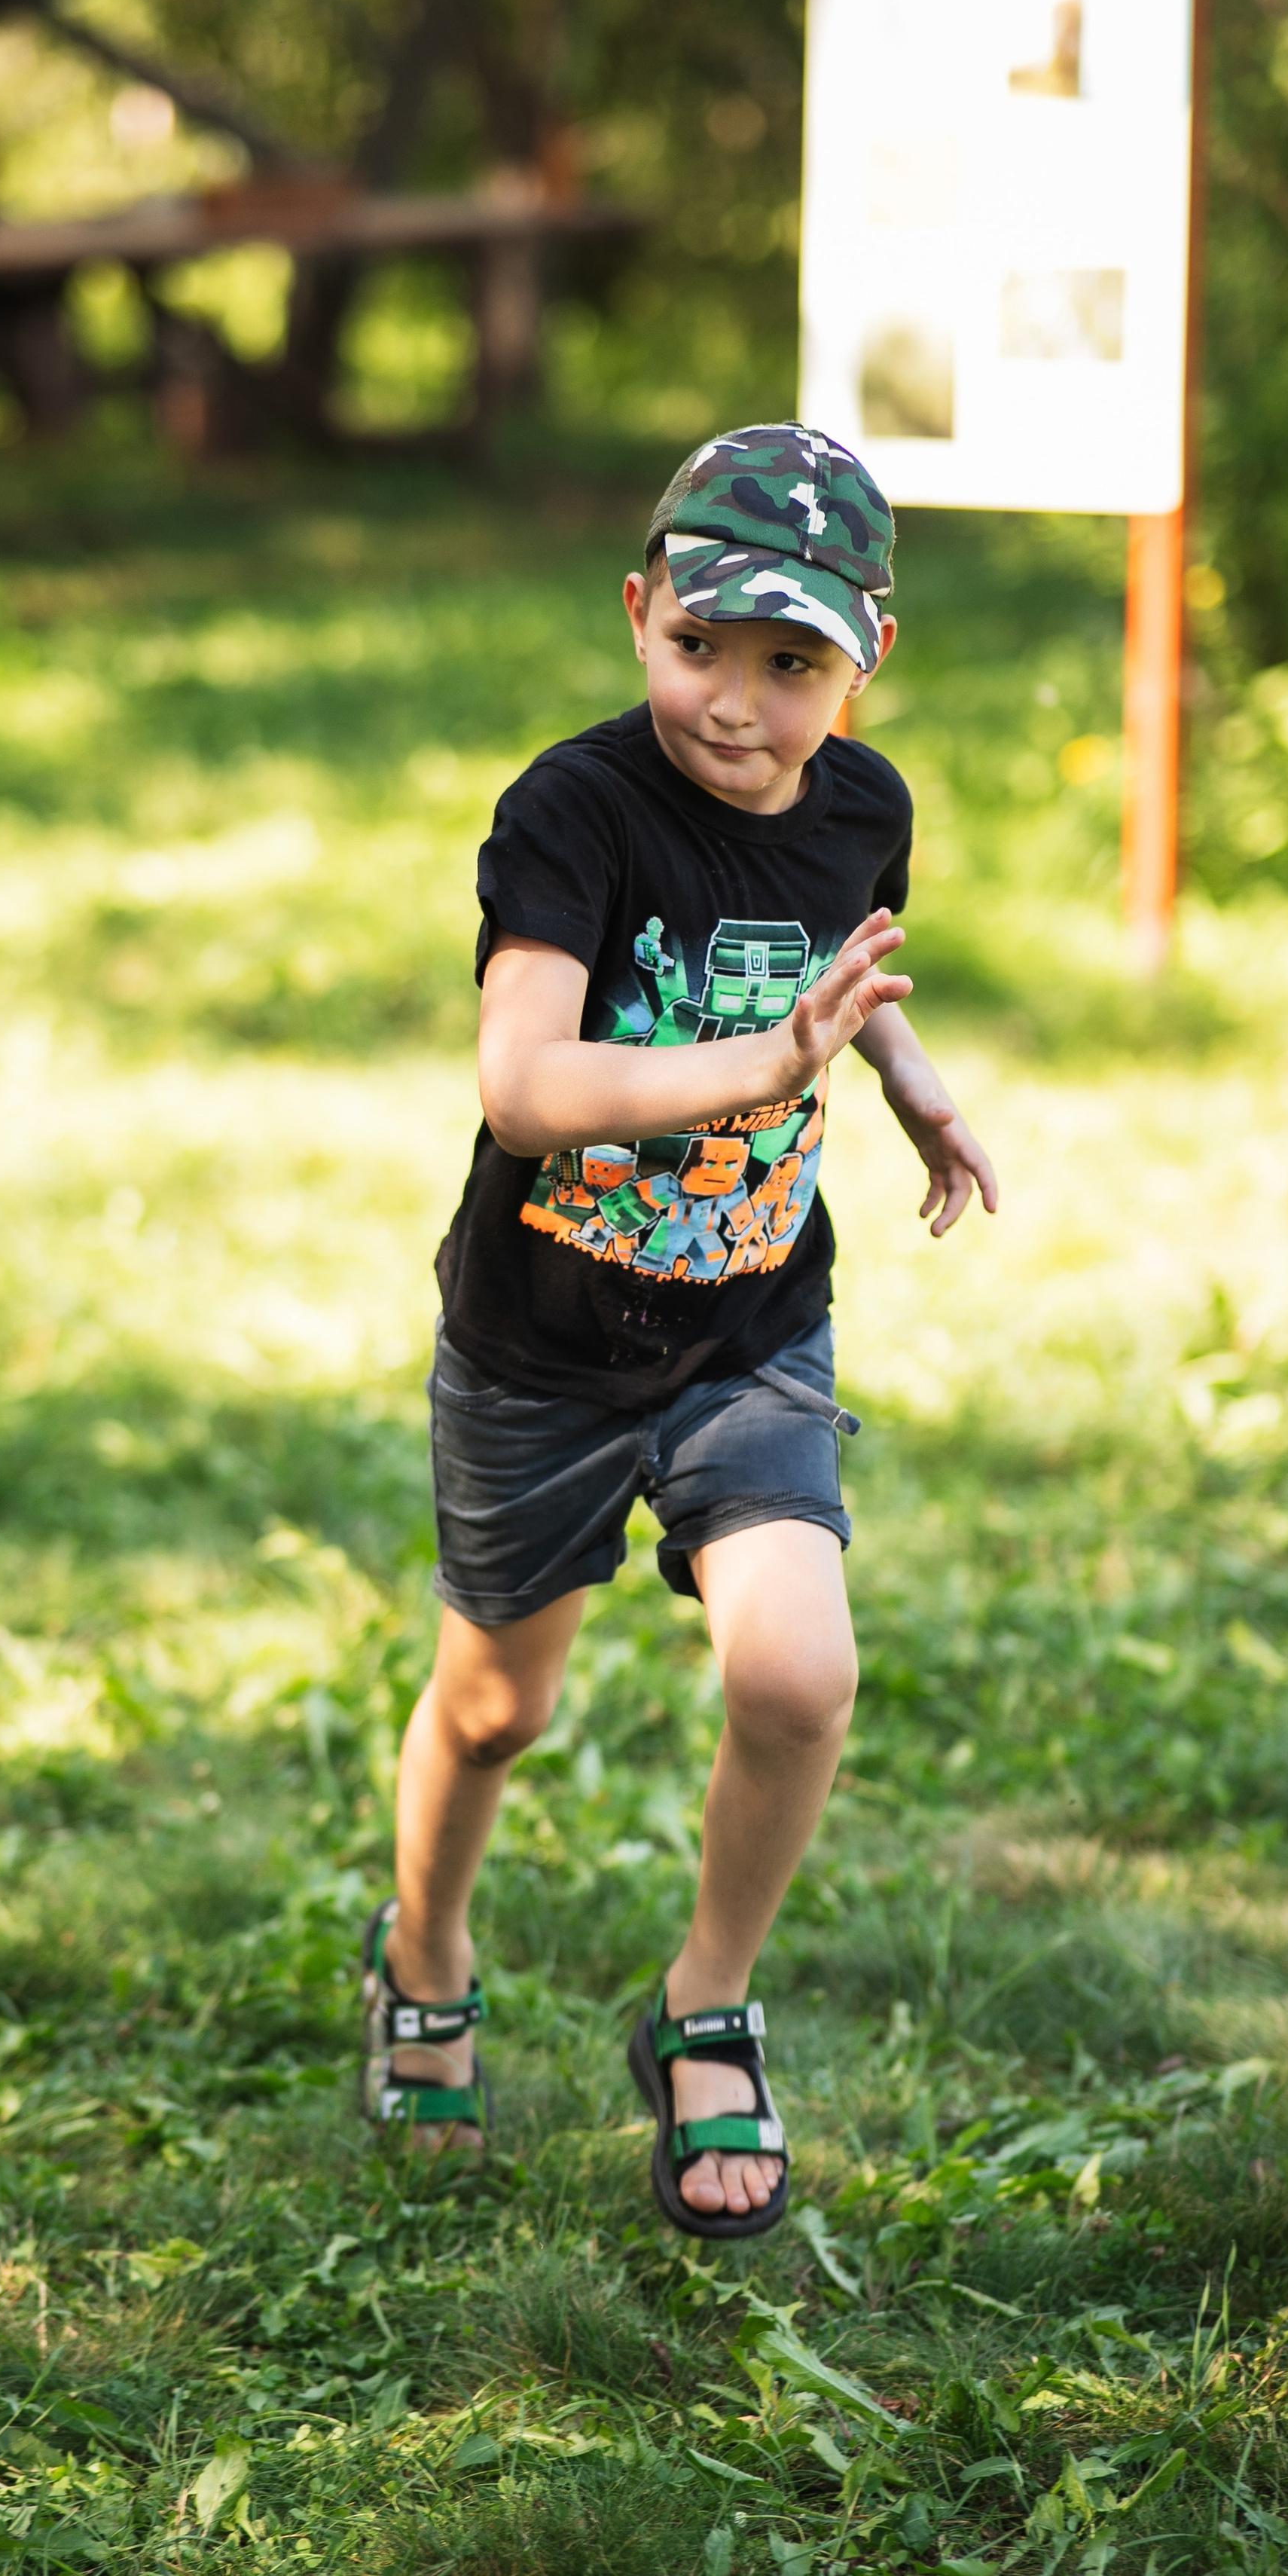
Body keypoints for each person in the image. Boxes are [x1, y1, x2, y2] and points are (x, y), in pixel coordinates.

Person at [359, 424, 997, 2238]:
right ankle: (422, 1950)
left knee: (796, 1674)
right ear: (638, 613)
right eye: (700, 644)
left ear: (858, 668)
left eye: (790, 663)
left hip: (744, 1329)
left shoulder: (861, 803)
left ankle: (703, 2004)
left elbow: (842, 962)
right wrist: (768, 1065)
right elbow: (525, 1080)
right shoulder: (568, 814)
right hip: (542, 1346)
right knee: (495, 1714)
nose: (735, 700)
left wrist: (901, 1075)